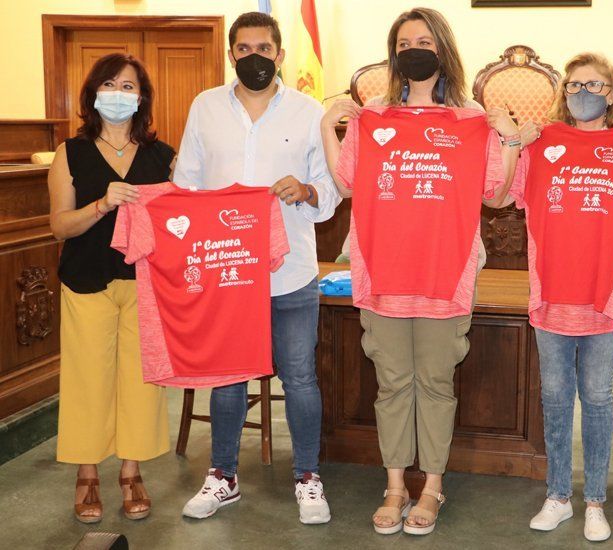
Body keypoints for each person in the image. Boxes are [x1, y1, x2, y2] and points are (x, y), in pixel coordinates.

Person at [321, 7, 519, 536]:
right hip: (383, 273)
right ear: (394, 54)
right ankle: (393, 486)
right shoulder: (374, 116)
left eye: (425, 40)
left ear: (443, 50)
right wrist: (327, 124)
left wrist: (510, 140)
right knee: (391, 385)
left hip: (445, 273)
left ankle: (431, 487)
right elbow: (344, 186)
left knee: (434, 384)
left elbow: (497, 196)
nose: (415, 49)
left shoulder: (472, 119)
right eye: (405, 41)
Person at [173, 12, 340, 525]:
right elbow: (185, 186)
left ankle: (308, 477)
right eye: (243, 49)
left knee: (300, 377)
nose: (254, 58)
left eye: (263, 49)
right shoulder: (204, 108)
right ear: (231, 55)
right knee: (227, 378)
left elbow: (330, 194)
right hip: (227, 273)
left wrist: (307, 190)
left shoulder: (311, 112)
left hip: (291, 271)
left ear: (280, 54)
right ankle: (223, 476)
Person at [505, 53, 613, 542]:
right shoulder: (542, 140)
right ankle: (557, 496)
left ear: (611, 91)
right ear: (562, 92)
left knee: (595, 397)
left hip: (609, 288)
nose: (583, 93)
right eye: (573, 85)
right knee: (553, 397)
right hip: (552, 289)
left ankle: (594, 501)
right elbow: (497, 196)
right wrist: (514, 143)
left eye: (594, 84)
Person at [48, 53, 173, 524]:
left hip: (146, 284)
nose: (118, 95)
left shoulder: (164, 157)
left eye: (128, 87)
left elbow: (183, 221)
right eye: (109, 85)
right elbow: (60, 226)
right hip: (86, 281)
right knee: (88, 380)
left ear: (141, 98)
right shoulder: (70, 153)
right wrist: (102, 205)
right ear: (92, 93)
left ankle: (131, 471)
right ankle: (87, 474)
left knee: (142, 381)